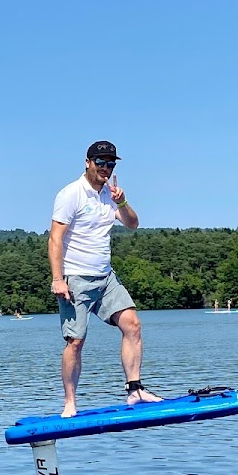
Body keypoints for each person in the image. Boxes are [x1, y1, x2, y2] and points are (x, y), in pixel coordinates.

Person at [49, 140, 161, 417]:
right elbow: (55, 238)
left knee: (132, 324)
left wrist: (121, 201)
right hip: (76, 278)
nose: (105, 168)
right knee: (75, 341)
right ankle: (70, 403)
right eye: (100, 162)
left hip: (106, 276)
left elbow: (133, 224)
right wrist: (57, 279)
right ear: (87, 163)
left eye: (110, 164)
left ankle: (134, 390)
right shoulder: (71, 194)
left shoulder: (110, 195)